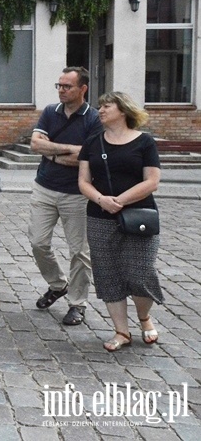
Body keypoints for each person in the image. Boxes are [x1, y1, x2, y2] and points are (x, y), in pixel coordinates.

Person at [77, 92, 162, 351]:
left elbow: (152, 181)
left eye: (106, 106)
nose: (100, 110)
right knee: (108, 274)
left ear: (123, 110)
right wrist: (102, 200)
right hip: (100, 217)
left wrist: (120, 200)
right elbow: (83, 182)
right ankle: (121, 331)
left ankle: (145, 318)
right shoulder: (92, 142)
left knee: (141, 273)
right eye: (99, 106)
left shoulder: (145, 142)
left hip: (139, 216)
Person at [28, 67, 102, 326]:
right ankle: (58, 284)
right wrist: (70, 150)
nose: (61, 90)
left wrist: (53, 152)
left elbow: (89, 159)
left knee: (79, 252)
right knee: (38, 242)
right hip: (45, 187)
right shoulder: (50, 112)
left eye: (67, 86)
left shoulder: (93, 119)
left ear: (82, 89)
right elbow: (35, 145)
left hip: (77, 194)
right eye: (59, 85)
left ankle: (77, 304)